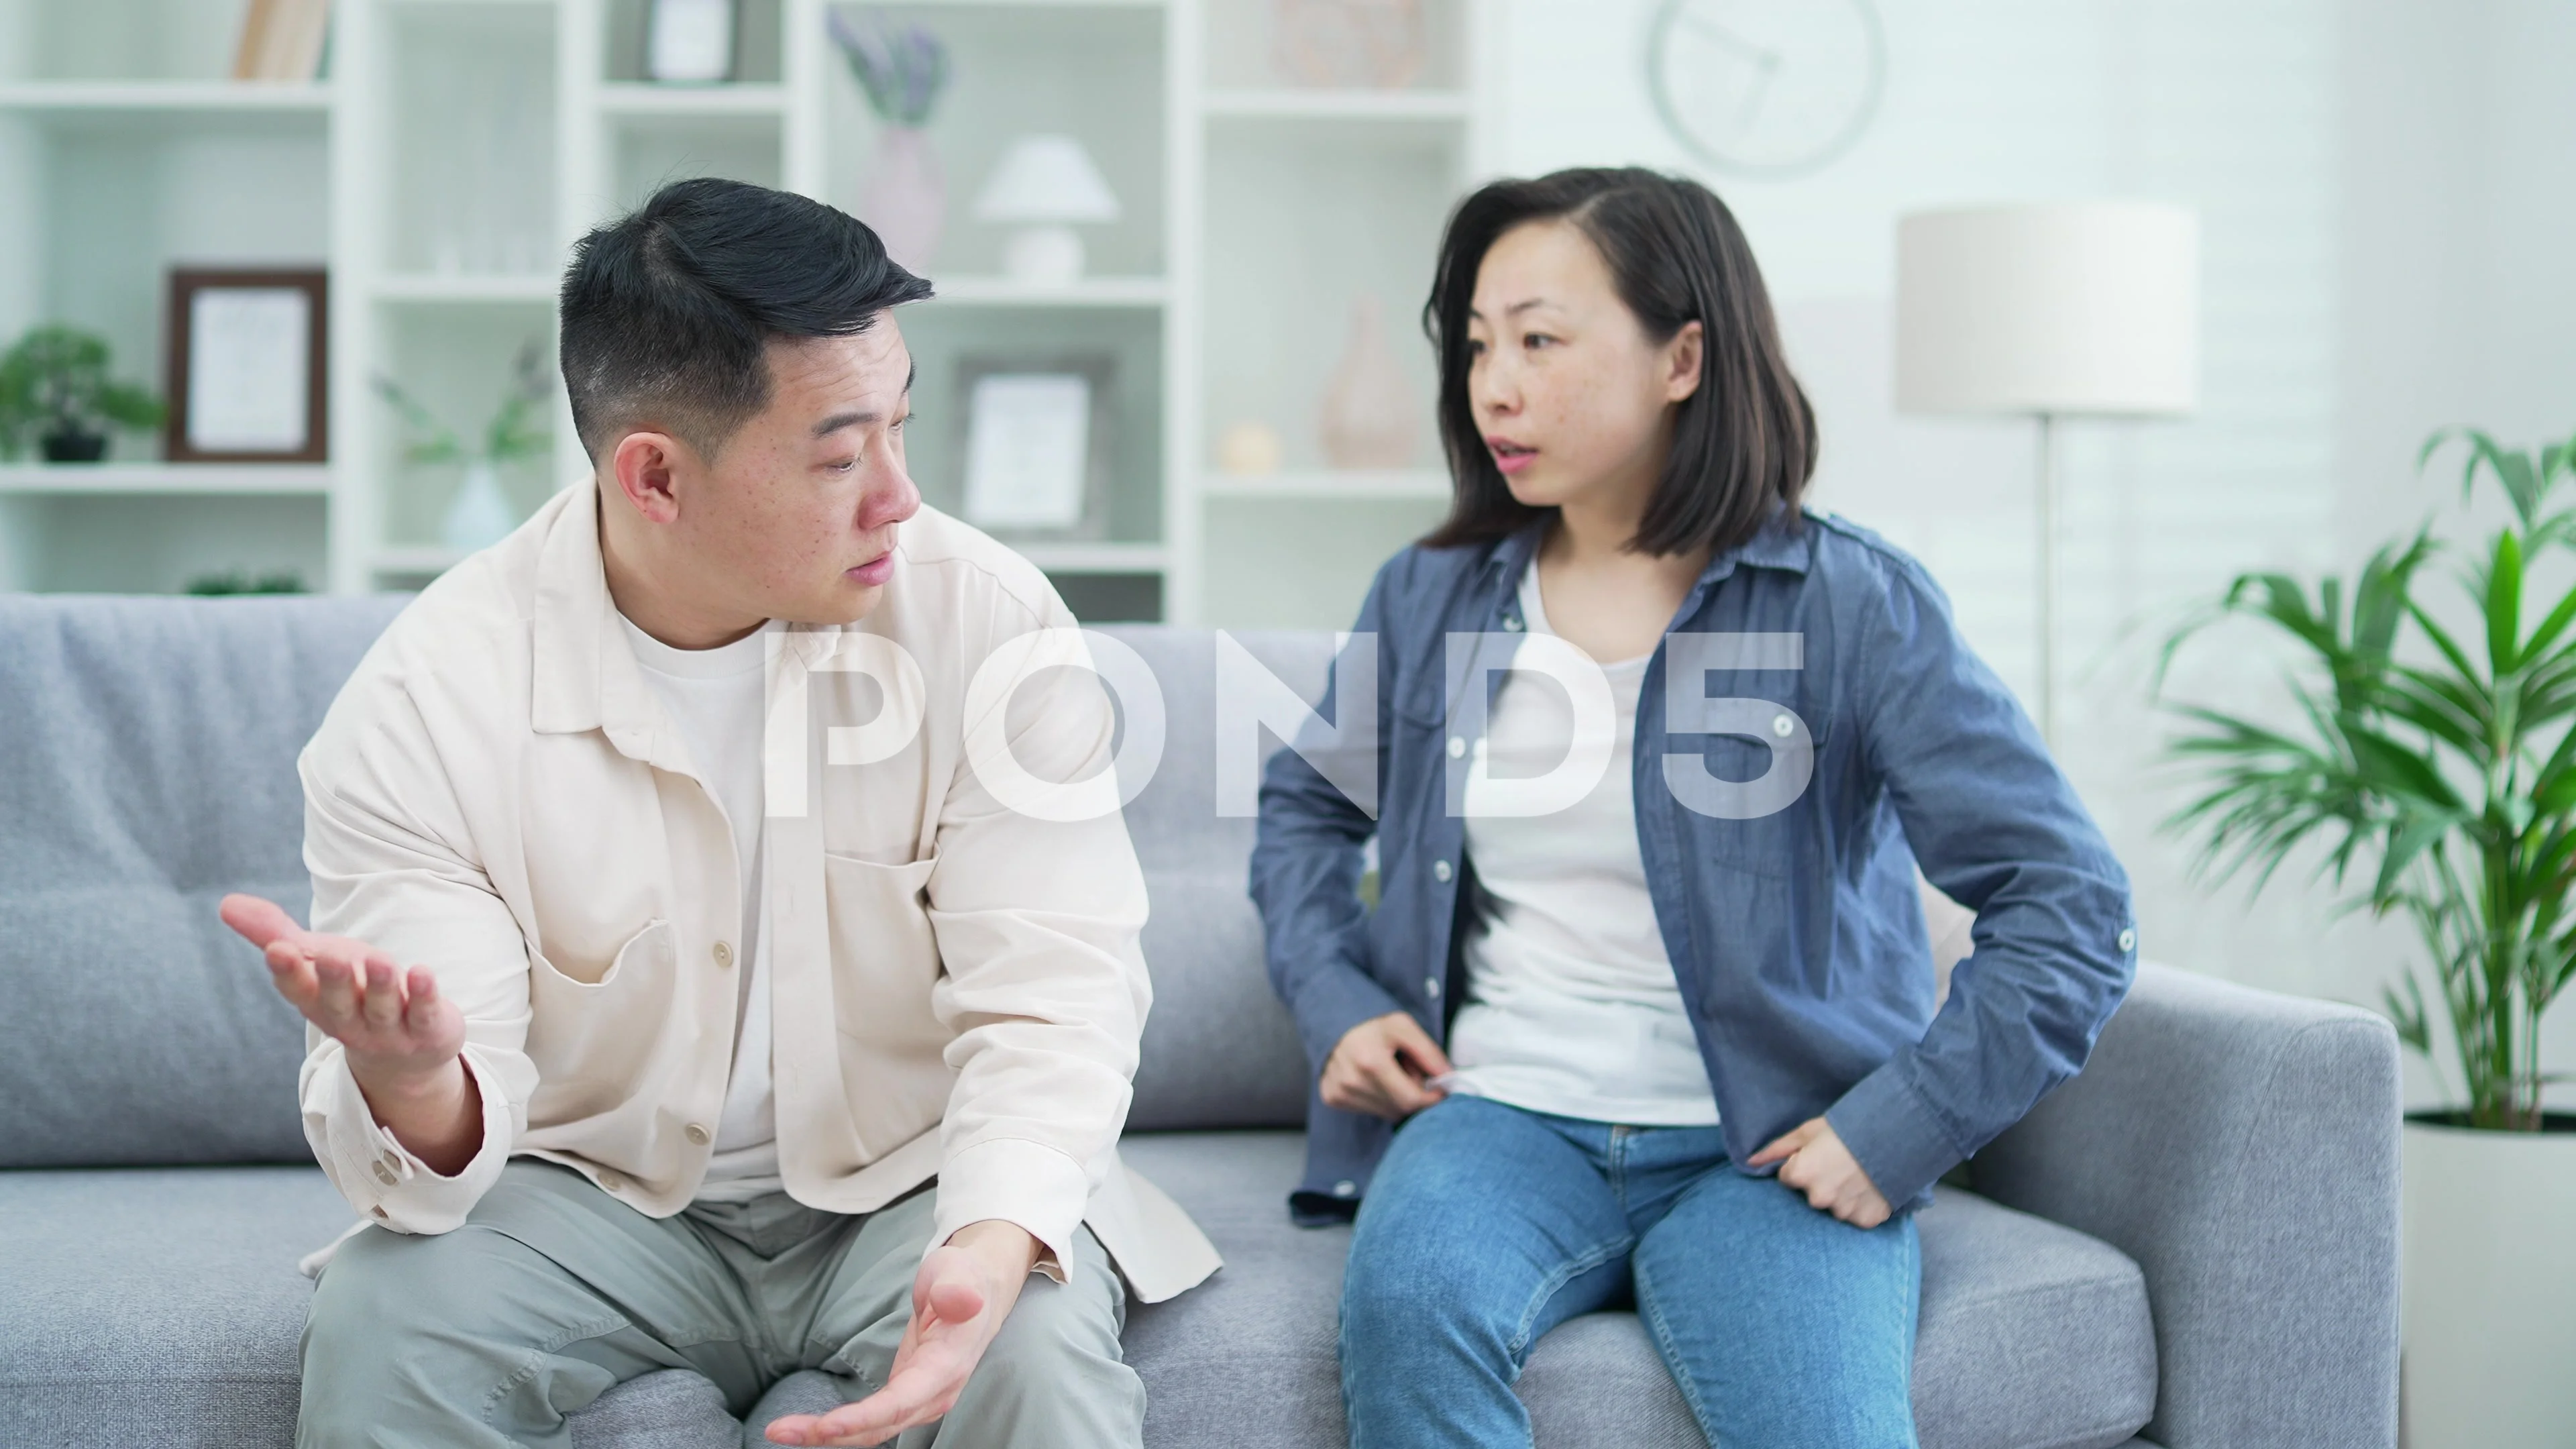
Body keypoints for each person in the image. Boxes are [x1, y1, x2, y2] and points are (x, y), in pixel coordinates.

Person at [218, 176, 1218, 1449]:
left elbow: (1054, 995)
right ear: (655, 479)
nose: (899, 499)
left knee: (1028, 1347)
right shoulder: (430, 700)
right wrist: (416, 1079)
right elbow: (445, 1120)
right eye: (843, 455)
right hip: (597, 1203)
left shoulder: (992, 626)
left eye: (901, 432)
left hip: (916, 1185)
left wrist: (990, 1240)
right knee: (385, 1318)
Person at [1249, 167, 2139, 1449]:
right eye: (1480, 346)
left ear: (1682, 356)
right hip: (1498, 1115)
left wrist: (1903, 1126)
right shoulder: (1429, 594)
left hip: (1772, 1146)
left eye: (1542, 341)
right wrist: (1339, 1001)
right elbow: (1303, 813)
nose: (1494, 386)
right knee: (1411, 1333)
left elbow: (2071, 907)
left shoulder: (1851, 603)